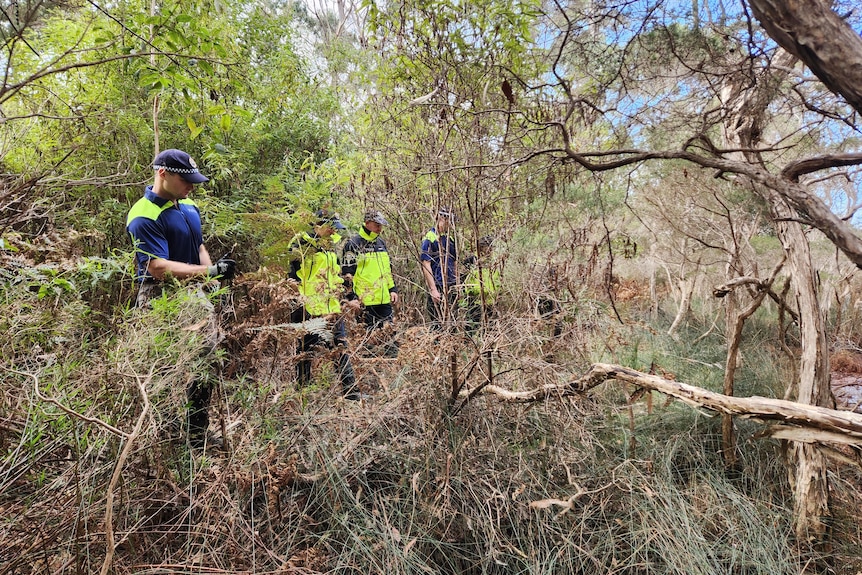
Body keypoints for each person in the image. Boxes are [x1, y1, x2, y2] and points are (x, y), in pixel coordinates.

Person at [126, 148, 236, 449]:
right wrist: (208, 271)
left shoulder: (188, 206)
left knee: (208, 359)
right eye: (186, 180)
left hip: (194, 292)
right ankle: (163, 438)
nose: (192, 187)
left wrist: (212, 274)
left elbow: (199, 245)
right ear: (163, 174)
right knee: (164, 366)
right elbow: (158, 267)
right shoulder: (142, 215)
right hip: (160, 295)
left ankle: (197, 432)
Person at [288, 210, 363, 401]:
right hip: (309, 310)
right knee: (305, 354)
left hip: (332, 309)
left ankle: (351, 395)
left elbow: (337, 276)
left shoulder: (329, 247)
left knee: (341, 349)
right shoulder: (301, 243)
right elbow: (291, 278)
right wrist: (299, 303)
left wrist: (350, 296)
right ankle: (303, 395)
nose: (333, 233)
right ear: (319, 225)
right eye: (331, 228)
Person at [342, 209, 400, 357]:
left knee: (390, 337)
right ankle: (368, 375)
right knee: (368, 342)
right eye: (377, 225)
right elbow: (348, 275)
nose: (380, 228)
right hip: (365, 301)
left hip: (384, 299)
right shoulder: (353, 244)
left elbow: (387, 270)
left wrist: (392, 289)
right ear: (367, 223)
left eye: (381, 225)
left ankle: (392, 371)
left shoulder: (381, 243)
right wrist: (352, 298)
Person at [420, 207, 458, 330]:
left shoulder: (450, 239)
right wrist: (433, 289)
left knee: (452, 323)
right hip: (438, 285)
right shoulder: (429, 238)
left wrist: (457, 285)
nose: (450, 225)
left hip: (451, 285)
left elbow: (455, 263)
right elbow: (426, 264)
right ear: (442, 218)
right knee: (437, 324)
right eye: (448, 221)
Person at [462, 235, 500, 331]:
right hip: (475, 299)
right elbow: (463, 278)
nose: (490, 250)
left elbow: (498, 279)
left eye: (492, 247)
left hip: (490, 301)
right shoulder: (472, 260)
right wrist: (470, 291)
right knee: (472, 326)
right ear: (481, 247)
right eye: (488, 247)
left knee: (490, 328)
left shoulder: (495, 261)